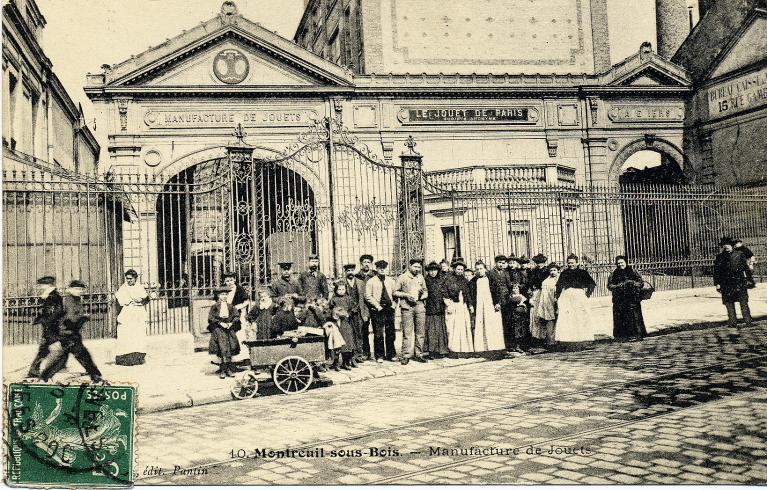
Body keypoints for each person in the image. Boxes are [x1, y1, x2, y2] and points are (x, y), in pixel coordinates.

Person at [39, 280, 104, 384]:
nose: (80, 291)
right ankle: (95, 376)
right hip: (68, 333)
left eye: (81, 289)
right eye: (77, 289)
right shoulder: (69, 300)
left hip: (71, 333)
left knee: (64, 358)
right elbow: (70, 318)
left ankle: (44, 377)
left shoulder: (75, 299)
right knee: (82, 355)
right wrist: (82, 318)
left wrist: (81, 318)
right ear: (70, 289)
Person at [26, 276, 64, 379]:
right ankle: (35, 370)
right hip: (50, 327)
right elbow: (46, 312)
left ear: (48, 285)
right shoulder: (49, 296)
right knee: (47, 349)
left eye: (41, 285)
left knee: (46, 349)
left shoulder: (53, 297)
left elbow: (56, 312)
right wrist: (38, 320)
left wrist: (44, 320)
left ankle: (34, 370)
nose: (40, 287)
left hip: (52, 327)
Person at [555, 254, 597, 346]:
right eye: (569, 263)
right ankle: (568, 339)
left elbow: (592, 284)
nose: (570, 265)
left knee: (581, 316)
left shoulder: (582, 272)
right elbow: (558, 286)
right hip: (567, 297)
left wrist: (587, 295)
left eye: (572, 263)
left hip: (579, 296)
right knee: (568, 317)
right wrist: (558, 298)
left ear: (577, 263)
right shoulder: (564, 273)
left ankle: (584, 338)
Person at [467, 261, 506, 358]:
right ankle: (482, 349)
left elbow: (498, 291)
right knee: (481, 327)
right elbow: (470, 295)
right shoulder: (473, 282)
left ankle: (496, 348)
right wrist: (471, 305)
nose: (479, 271)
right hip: (479, 307)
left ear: (485, 269)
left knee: (493, 326)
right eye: (477, 269)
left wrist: (497, 303)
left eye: (481, 268)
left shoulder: (491, 279)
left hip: (491, 306)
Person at [393, 258, 428, 365]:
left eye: (419, 267)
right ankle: (406, 355)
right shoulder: (402, 277)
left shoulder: (421, 277)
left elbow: (426, 291)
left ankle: (419, 354)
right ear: (410, 266)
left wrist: (423, 296)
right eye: (415, 267)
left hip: (419, 306)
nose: (417, 269)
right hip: (407, 308)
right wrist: (406, 295)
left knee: (420, 332)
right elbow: (395, 292)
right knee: (407, 333)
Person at [714, 237, 753, 327]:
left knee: (743, 302)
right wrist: (717, 284)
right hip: (726, 283)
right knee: (729, 303)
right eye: (724, 245)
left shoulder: (739, 254)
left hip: (739, 282)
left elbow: (745, 269)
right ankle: (732, 322)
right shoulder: (719, 257)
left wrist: (748, 280)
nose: (726, 246)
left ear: (732, 245)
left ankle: (748, 321)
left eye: (728, 244)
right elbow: (716, 272)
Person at [607, 256, 647, 341]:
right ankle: (622, 336)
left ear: (626, 262)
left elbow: (641, 282)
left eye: (622, 262)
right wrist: (619, 286)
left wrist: (633, 283)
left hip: (632, 299)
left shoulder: (633, 271)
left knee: (634, 317)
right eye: (618, 263)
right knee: (621, 318)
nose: (620, 264)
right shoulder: (613, 273)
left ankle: (637, 335)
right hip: (619, 299)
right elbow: (609, 286)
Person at [114, 269, 150, 365]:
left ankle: (138, 358)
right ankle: (125, 359)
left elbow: (146, 299)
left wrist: (140, 302)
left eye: (131, 279)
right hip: (127, 314)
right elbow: (119, 301)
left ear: (135, 278)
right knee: (126, 335)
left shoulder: (140, 287)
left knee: (138, 335)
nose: (129, 281)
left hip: (138, 314)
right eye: (127, 279)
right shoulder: (123, 288)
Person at [365, 259, 397, 362]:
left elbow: (395, 294)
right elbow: (368, 296)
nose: (382, 270)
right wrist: (377, 306)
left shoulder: (391, 281)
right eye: (380, 268)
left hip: (389, 309)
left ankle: (391, 354)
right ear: (377, 269)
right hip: (377, 309)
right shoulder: (371, 281)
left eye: (384, 268)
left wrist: (394, 305)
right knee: (378, 333)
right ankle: (379, 355)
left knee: (391, 332)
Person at [442, 259, 474, 357]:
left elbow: (467, 294)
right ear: (454, 269)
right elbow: (444, 291)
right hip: (453, 305)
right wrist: (448, 304)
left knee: (464, 327)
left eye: (461, 269)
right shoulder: (449, 279)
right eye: (458, 269)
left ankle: (465, 350)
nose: (460, 271)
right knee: (453, 328)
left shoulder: (464, 280)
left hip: (463, 306)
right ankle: (453, 350)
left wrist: (470, 305)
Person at [208, 287, 240, 378]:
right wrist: (220, 323)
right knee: (222, 349)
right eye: (222, 294)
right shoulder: (215, 307)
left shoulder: (231, 306)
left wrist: (231, 323)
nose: (224, 296)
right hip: (219, 330)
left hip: (229, 330)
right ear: (218, 296)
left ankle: (229, 369)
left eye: (226, 294)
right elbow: (211, 318)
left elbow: (236, 316)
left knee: (230, 348)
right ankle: (222, 370)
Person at [343, 263, 369, 363]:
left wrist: (365, 313)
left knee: (359, 334)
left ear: (354, 271)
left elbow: (365, 299)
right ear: (345, 272)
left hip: (359, 312)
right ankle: (350, 356)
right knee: (349, 334)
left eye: (352, 270)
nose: (350, 273)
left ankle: (358, 354)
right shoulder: (342, 283)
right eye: (348, 271)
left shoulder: (360, 283)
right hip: (347, 313)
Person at [424, 261, 449, 359]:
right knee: (431, 331)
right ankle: (431, 351)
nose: (433, 272)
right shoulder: (426, 280)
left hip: (440, 307)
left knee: (440, 330)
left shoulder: (441, 280)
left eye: (435, 270)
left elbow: (445, 292)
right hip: (430, 308)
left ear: (438, 271)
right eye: (431, 270)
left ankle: (441, 350)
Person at [329, 281, 357, 369]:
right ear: (336, 290)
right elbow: (329, 309)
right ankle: (336, 363)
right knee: (337, 343)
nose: (341, 291)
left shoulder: (348, 298)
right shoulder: (334, 299)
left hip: (346, 323)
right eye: (339, 289)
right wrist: (334, 315)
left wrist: (349, 313)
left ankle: (346, 362)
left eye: (343, 289)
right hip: (337, 324)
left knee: (347, 342)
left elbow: (354, 307)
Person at [489, 255, 514, 353]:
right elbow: (490, 289)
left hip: (506, 301)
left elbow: (509, 286)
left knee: (507, 323)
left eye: (503, 263)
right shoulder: (490, 273)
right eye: (499, 262)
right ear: (495, 263)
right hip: (495, 301)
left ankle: (508, 345)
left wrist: (510, 295)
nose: (501, 265)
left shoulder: (506, 273)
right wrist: (496, 302)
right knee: (497, 324)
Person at [533, 263, 560, 347]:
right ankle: (550, 342)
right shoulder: (546, 281)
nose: (552, 272)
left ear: (558, 271)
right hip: (549, 303)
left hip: (559, 301)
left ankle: (560, 340)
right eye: (551, 270)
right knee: (550, 321)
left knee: (560, 320)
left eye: (554, 270)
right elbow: (544, 295)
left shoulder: (561, 279)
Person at [355, 254, 375, 360]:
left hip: (375, 306)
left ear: (371, 264)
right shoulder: (357, 276)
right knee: (364, 330)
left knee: (377, 330)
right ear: (361, 264)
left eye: (368, 262)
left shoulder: (375, 276)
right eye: (364, 262)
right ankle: (365, 352)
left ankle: (377, 353)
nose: (366, 264)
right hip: (363, 307)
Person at [527, 254, 550, 348]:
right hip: (536, 293)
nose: (539, 264)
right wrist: (531, 289)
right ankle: (536, 337)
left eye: (541, 262)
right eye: (538, 262)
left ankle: (544, 337)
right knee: (535, 315)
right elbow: (531, 282)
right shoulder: (534, 271)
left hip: (544, 292)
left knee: (543, 314)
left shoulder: (547, 271)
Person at [323, 306, 348, 371]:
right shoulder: (330, 323)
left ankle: (336, 364)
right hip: (332, 339)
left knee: (337, 351)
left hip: (337, 340)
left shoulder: (338, 322)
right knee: (332, 352)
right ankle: (328, 364)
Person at [509, 283, 530, 351]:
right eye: (514, 288)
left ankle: (520, 345)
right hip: (514, 315)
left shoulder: (522, 296)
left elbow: (526, 304)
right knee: (515, 330)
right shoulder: (511, 296)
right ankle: (514, 346)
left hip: (521, 316)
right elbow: (513, 303)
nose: (515, 290)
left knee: (521, 330)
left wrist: (524, 307)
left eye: (516, 288)